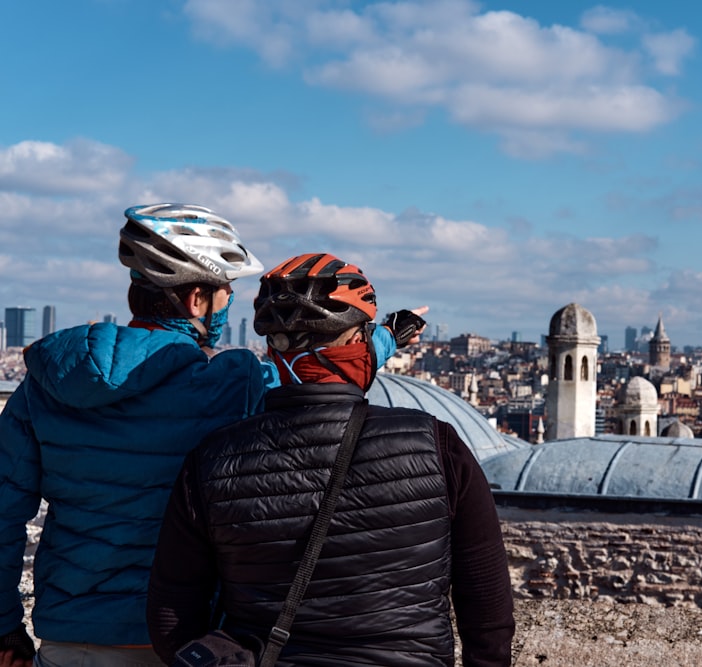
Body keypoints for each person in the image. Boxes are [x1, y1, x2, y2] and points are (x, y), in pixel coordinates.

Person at [0, 205, 418, 667]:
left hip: (73, 635)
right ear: (196, 300)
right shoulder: (230, 383)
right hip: (188, 636)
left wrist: (2, 628)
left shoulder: (45, 380)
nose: (228, 303)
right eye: (227, 292)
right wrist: (386, 339)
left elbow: (3, 516)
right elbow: (315, 381)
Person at [146, 253, 515, 666]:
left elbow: (172, 615)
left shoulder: (213, 460)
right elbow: (488, 610)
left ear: (272, 348)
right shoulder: (436, 445)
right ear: (359, 345)